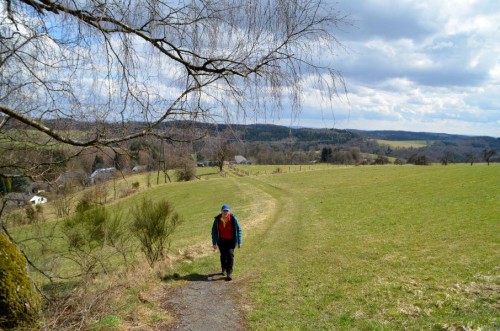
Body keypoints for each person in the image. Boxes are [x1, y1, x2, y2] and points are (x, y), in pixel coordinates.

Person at [212, 204, 242, 281]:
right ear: (221, 211)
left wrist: (239, 242)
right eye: (224, 211)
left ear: (229, 211)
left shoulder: (233, 219)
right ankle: (223, 268)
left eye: (227, 211)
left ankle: (229, 273)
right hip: (221, 241)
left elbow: (239, 230)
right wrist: (214, 243)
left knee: (230, 255)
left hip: (231, 241)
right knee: (223, 255)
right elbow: (214, 231)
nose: (225, 212)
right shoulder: (217, 219)